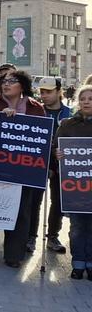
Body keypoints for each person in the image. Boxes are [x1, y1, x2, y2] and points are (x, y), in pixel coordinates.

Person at [0, 71, 45, 268]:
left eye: (12, 81)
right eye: (4, 81)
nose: (7, 84)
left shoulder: (35, 107)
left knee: (21, 210)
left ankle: (14, 254)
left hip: (23, 168)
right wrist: (0, 118)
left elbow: (41, 136)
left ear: (22, 85)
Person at [27, 77, 70, 254]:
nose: (44, 95)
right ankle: (31, 236)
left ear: (59, 91)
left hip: (60, 162)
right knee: (34, 200)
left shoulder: (69, 113)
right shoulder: (36, 110)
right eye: (42, 92)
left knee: (58, 201)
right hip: (37, 161)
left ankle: (52, 236)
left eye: (48, 92)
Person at [54, 85, 92, 280]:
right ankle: (77, 264)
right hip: (74, 186)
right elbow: (55, 147)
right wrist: (57, 153)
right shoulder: (67, 124)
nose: (86, 101)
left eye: (91, 99)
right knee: (77, 227)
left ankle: (91, 263)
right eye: (83, 98)